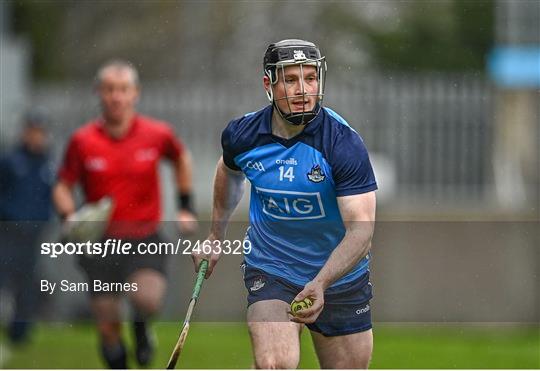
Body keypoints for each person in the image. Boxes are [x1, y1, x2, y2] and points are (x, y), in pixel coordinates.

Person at [192, 39, 378, 369]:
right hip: (273, 268)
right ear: (269, 83)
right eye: (291, 79)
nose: (303, 89)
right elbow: (228, 171)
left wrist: (320, 283)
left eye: (310, 78)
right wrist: (214, 236)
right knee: (275, 364)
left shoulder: (342, 144)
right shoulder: (243, 135)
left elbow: (361, 231)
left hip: (339, 279)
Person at [53, 60, 197, 368]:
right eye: (109, 90)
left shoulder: (157, 134)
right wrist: (68, 215)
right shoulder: (82, 140)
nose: (116, 97)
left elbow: (182, 159)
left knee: (147, 300)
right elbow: (62, 186)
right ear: (99, 93)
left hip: (145, 237)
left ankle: (142, 326)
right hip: (99, 244)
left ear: (135, 94)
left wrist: (185, 205)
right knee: (108, 328)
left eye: (123, 90)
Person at [0, 112, 54, 344]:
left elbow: (49, 198)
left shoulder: (48, 166)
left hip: (33, 234)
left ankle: (20, 331)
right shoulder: (10, 161)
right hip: (8, 232)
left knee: (27, 281)